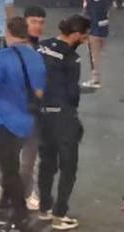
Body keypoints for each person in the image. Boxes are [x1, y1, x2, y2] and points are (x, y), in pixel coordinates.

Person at [0, 17, 46, 232]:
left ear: (9, 32)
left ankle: (20, 216)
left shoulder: (2, 57)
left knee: (9, 170)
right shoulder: (36, 57)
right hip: (29, 121)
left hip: (6, 121)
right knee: (17, 166)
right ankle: (4, 204)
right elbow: (40, 92)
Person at [36, 15, 91, 231]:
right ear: (76, 34)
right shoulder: (71, 58)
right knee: (68, 166)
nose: (85, 40)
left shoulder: (42, 47)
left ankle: (44, 209)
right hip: (63, 117)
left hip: (41, 114)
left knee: (47, 163)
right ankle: (60, 214)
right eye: (85, 36)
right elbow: (72, 93)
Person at [81, 0, 110, 89]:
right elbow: (109, 7)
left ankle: (95, 79)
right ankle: (96, 78)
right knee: (98, 52)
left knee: (94, 55)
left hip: (93, 28)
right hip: (104, 26)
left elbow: (85, 11)